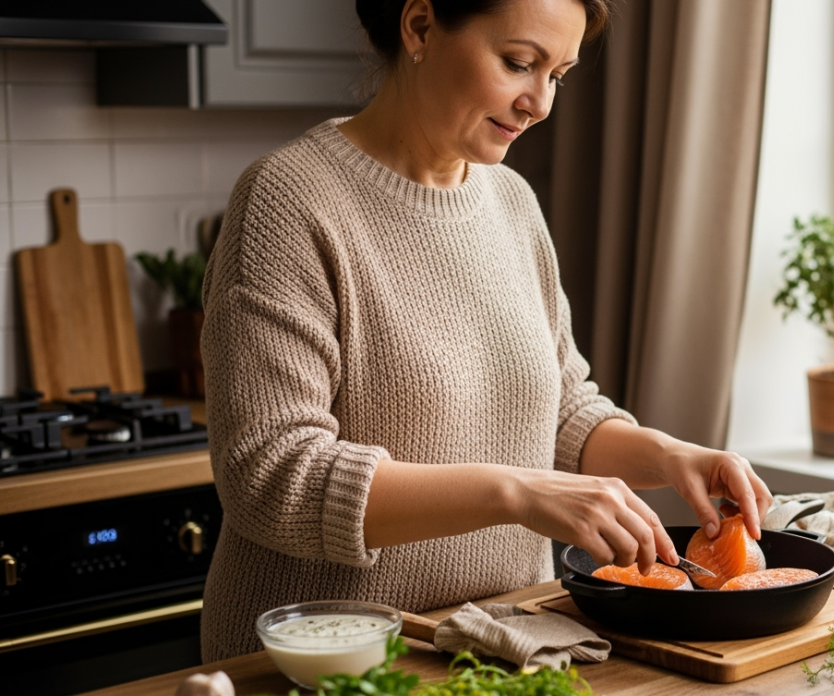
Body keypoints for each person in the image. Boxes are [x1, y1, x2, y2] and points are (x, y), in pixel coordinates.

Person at [199, 0, 773, 661]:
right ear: (418, 26)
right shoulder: (289, 200)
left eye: (558, 74)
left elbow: (559, 414)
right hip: (326, 662)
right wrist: (515, 492)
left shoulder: (512, 203)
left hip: (507, 646)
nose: (541, 103)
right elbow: (273, 478)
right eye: (519, 63)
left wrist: (669, 456)